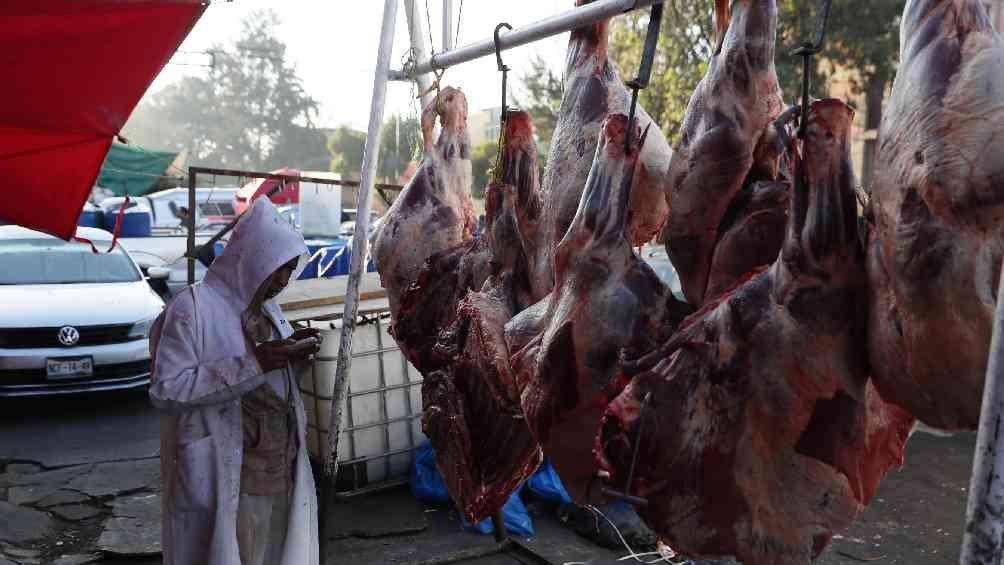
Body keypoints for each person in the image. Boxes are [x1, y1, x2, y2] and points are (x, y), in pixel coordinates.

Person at [148, 197, 321, 565]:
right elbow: (167, 390)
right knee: (237, 551)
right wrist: (254, 362)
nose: (282, 281)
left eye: (289, 270)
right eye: (277, 268)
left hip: (278, 468)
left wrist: (293, 355)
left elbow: (272, 389)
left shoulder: (267, 310)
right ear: (252, 258)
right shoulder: (192, 310)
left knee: (273, 551)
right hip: (230, 474)